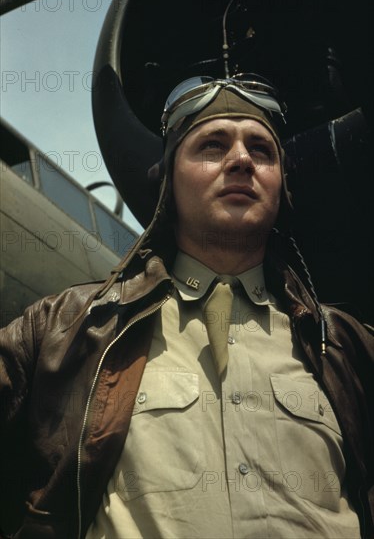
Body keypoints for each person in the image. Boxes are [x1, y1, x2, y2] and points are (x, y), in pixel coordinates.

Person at [0, 76, 373, 539]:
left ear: (282, 185)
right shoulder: (63, 326)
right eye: (213, 147)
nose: (241, 160)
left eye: (261, 151)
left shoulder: (349, 347)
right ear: (168, 182)